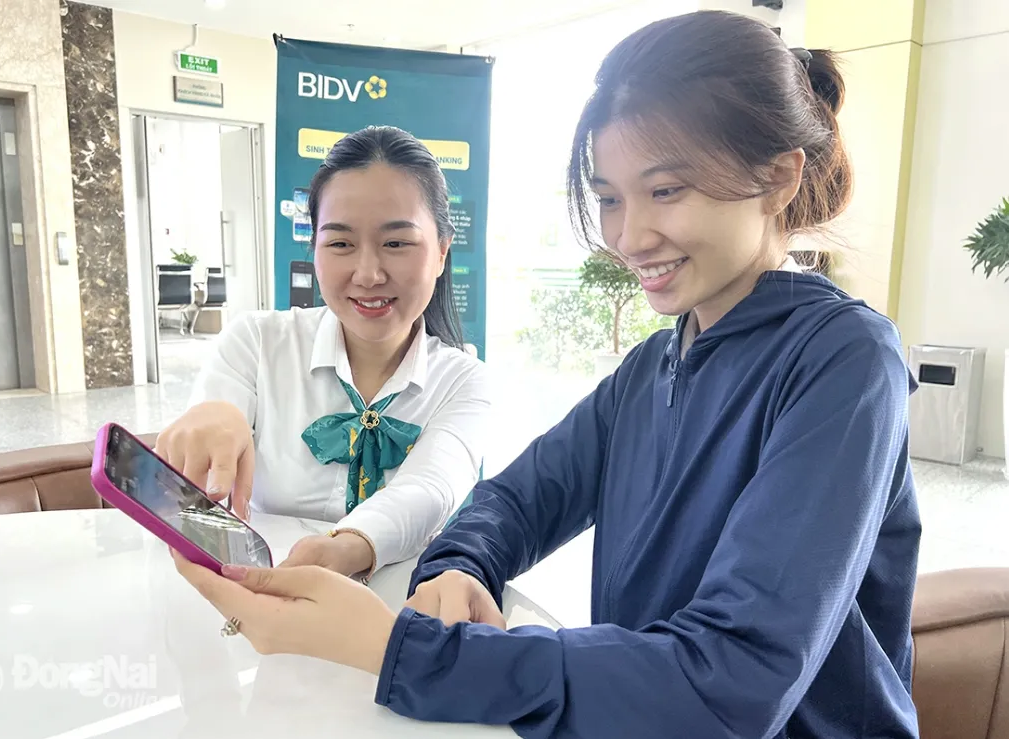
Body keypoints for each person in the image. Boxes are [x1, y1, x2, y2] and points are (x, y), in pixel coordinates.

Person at [171, 10, 922, 738]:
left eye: (666, 190)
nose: (629, 236)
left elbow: (731, 682)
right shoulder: (653, 367)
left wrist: (397, 648)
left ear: (779, 178)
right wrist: (462, 564)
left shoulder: (844, 360)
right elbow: (515, 500)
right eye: (608, 199)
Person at [157, 125, 492, 582]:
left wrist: (351, 546)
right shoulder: (257, 343)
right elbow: (215, 418)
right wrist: (211, 417)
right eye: (340, 244)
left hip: (394, 611)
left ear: (441, 253)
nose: (368, 274)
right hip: (255, 591)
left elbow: (431, 487)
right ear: (314, 248)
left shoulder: (463, 380)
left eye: (396, 243)